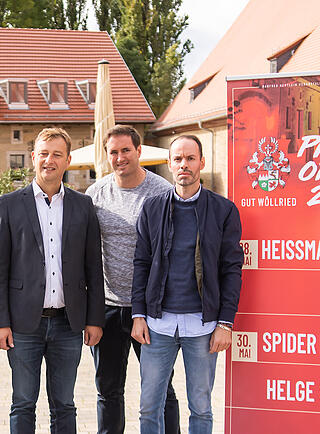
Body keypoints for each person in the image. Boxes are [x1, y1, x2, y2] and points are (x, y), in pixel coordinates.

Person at [0, 127, 104, 433]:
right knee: (23, 402)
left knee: (64, 404)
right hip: (24, 324)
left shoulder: (83, 205)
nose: (48, 160)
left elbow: (93, 267)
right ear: (32, 158)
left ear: (67, 160)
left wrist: (95, 319)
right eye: (43, 153)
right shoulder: (10, 204)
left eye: (56, 154)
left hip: (69, 323)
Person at [132, 135, 243, 434]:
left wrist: (225, 323)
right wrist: (138, 314)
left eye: (190, 158)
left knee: (202, 408)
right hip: (158, 324)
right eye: (178, 159)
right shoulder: (152, 208)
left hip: (203, 326)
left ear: (202, 163)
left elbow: (232, 269)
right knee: (148, 406)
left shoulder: (223, 210)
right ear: (169, 164)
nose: (184, 164)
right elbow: (141, 263)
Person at [85, 125, 180, 434]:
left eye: (126, 150)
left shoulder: (163, 192)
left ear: (139, 151)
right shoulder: (96, 193)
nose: (120, 157)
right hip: (109, 307)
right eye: (113, 152)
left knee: (160, 389)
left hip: (152, 309)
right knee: (108, 389)